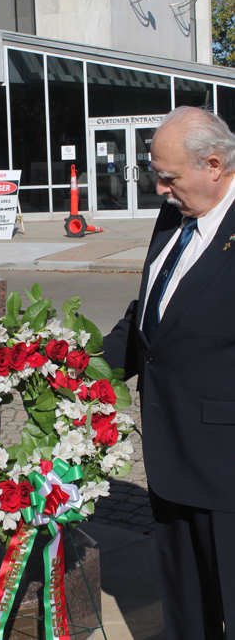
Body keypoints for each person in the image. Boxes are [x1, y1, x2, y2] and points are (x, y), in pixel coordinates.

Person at [103, 106, 235, 639]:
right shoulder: (174, 215)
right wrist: (90, 368)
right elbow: (150, 313)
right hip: (170, 454)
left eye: (169, 176)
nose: (159, 189)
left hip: (227, 467)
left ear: (214, 165)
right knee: (185, 610)